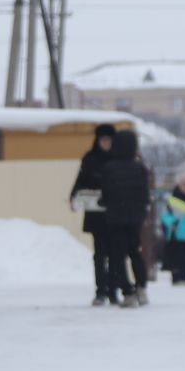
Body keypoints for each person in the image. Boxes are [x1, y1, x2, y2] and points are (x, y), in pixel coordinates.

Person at [92, 129, 151, 307]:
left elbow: (106, 195)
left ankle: (127, 292)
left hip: (116, 218)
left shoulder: (110, 168)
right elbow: (145, 194)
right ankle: (141, 287)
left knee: (118, 256)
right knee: (135, 252)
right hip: (135, 218)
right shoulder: (140, 168)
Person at [70, 123, 117, 303]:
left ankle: (113, 291)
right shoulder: (90, 158)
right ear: (98, 140)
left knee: (115, 255)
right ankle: (100, 291)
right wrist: (74, 196)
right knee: (99, 254)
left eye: (109, 140)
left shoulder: (117, 159)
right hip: (96, 214)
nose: (106, 143)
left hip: (114, 213)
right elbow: (81, 179)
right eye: (103, 140)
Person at [159, 179, 185, 285]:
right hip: (176, 234)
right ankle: (177, 278)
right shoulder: (172, 200)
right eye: (184, 185)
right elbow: (164, 215)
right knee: (176, 256)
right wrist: (172, 223)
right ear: (179, 186)